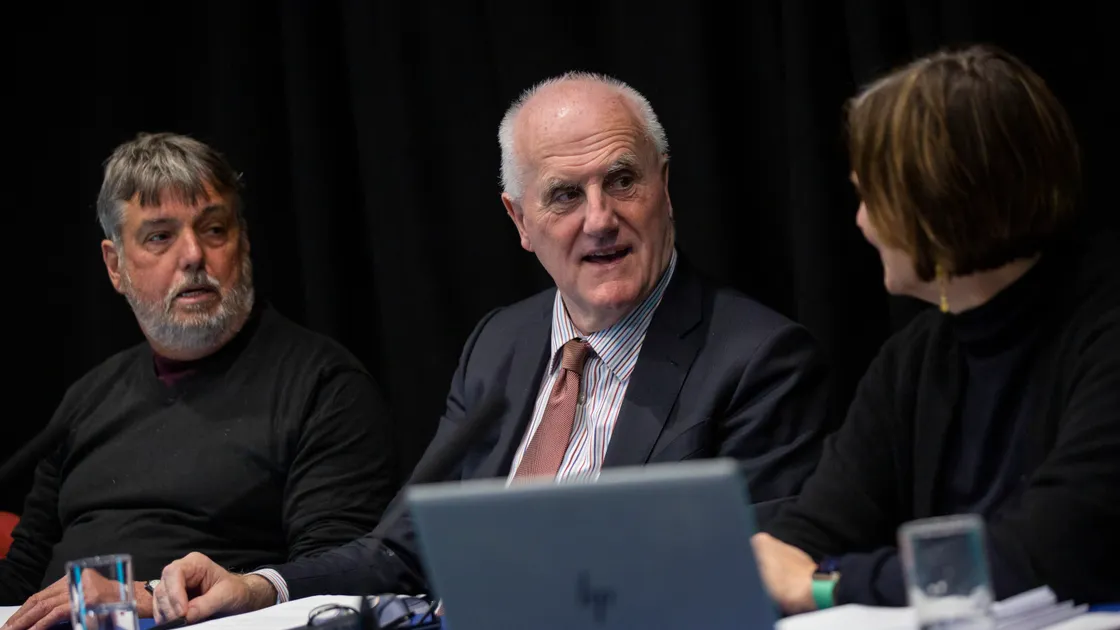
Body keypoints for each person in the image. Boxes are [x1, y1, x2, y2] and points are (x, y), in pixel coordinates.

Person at [150, 72, 836, 623]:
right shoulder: (501, 343)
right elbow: (403, 549)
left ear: (665, 186)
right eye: (566, 195)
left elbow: (753, 580)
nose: (601, 218)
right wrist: (259, 587)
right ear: (520, 221)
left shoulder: (760, 360)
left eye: (622, 181)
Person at [752, 44, 1120, 615]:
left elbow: (1051, 551)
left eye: (871, 196)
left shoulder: (1103, 329)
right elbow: (814, 529)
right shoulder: (917, 359)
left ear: (939, 202)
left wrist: (830, 585)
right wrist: (767, 560)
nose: (860, 221)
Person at [0, 133, 400, 629]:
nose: (192, 255)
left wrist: (145, 597)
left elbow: (338, 578)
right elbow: (20, 579)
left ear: (244, 241)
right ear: (114, 266)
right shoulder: (88, 397)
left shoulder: (324, 385)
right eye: (159, 237)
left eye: (213, 229)